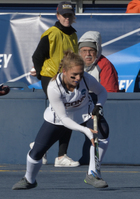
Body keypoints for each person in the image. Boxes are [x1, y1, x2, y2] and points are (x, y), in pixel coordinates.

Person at [12, 51, 109, 190]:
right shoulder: (53, 87)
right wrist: (85, 130)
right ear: (64, 71)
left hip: (85, 113)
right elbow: (64, 119)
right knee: (36, 153)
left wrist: (99, 106)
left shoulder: (86, 79)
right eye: (73, 75)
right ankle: (29, 179)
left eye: (80, 74)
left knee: (103, 133)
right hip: (59, 119)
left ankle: (93, 174)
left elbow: (102, 92)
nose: (78, 78)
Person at [31, 1, 79, 167]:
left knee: (65, 113)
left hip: (66, 80)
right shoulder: (51, 33)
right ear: (58, 16)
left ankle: (42, 148)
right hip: (50, 78)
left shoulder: (73, 34)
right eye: (63, 15)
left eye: (69, 15)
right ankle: (58, 155)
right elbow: (37, 56)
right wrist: (40, 75)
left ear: (73, 17)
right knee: (63, 113)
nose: (66, 18)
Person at [77, 31, 118, 168]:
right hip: (76, 104)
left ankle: (94, 164)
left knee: (101, 132)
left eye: (91, 51)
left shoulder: (105, 65)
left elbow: (110, 91)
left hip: (95, 106)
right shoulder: (75, 64)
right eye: (84, 51)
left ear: (97, 51)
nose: (87, 54)